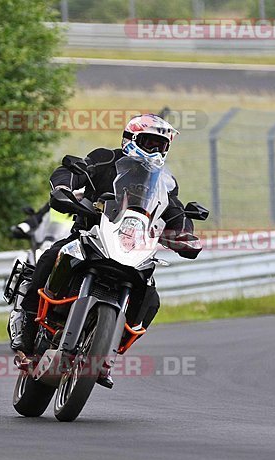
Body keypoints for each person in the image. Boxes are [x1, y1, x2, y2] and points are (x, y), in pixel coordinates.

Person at [11, 114, 203, 386]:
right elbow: (74, 171)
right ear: (131, 139)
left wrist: (185, 233)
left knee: (151, 298)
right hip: (91, 236)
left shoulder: (164, 182)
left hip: (133, 249)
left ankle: (106, 356)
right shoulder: (105, 158)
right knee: (50, 257)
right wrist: (65, 188)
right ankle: (27, 330)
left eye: (161, 146)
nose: (155, 150)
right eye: (149, 143)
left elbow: (174, 210)